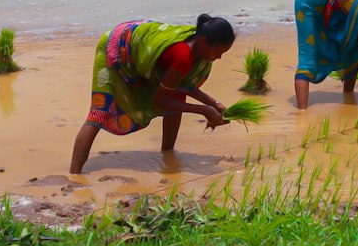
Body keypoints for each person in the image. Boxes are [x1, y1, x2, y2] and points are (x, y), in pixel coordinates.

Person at [70, 14, 236, 174]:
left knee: (177, 98)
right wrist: (204, 110)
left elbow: (184, 85)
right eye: (218, 52)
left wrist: (214, 104)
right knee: (99, 112)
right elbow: (160, 101)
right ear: (203, 42)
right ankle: (74, 174)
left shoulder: (197, 46)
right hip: (118, 47)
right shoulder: (183, 57)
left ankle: (167, 155)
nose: (219, 58)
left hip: (141, 45)